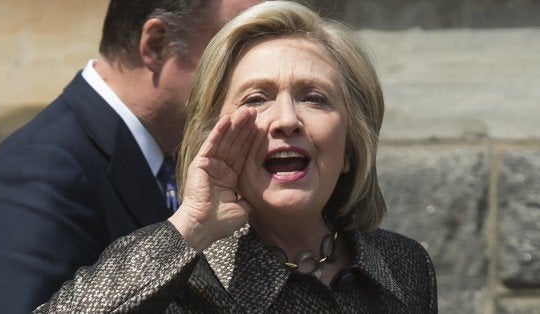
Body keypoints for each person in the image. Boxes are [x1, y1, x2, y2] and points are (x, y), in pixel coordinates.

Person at [35, 1, 438, 312]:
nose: (286, 120)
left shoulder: (403, 266)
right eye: (257, 99)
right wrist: (192, 225)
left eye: (314, 98)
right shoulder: (183, 278)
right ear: (213, 134)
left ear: (351, 146)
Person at [0, 0, 259, 313]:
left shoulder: (175, 153)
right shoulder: (40, 168)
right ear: (157, 45)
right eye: (235, 51)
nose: (255, 73)